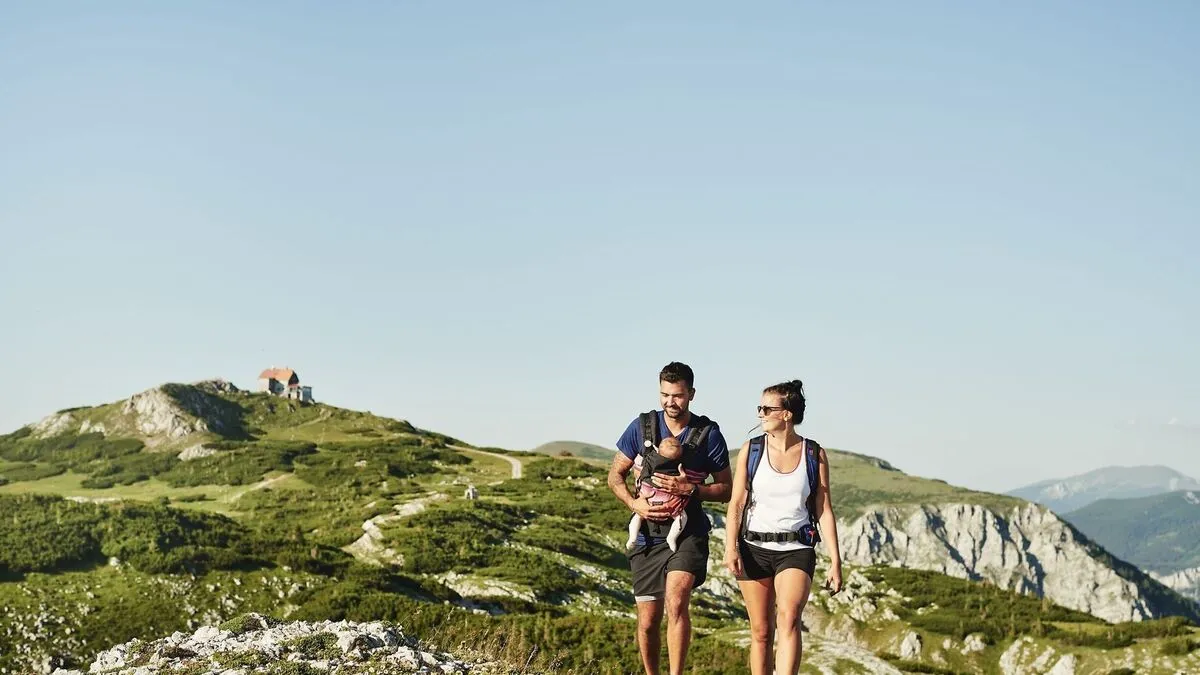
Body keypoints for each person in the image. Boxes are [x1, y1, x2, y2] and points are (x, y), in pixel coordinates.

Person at [608, 361, 732, 675]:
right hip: (648, 535)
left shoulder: (708, 435)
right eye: (664, 394)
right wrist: (634, 504)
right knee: (648, 621)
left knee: (676, 600)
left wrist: (693, 489)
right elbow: (615, 476)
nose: (669, 402)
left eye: (676, 396)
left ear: (691, 393)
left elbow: (727, 489)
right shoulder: (641, 427)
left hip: (688, 531)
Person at [723, 379, 843, 675]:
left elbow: (823, 508)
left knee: (788, 618)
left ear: (786, 414)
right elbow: (736, 502)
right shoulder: (751, 450)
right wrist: (730, 547)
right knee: (761, 631)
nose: (760, 414)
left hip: (796, 549)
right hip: (753, 547)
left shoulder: (814, 454)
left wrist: (836, 561)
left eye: (766, 408)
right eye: (759, 408)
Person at [625, 436, 690, 552]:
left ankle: (632, 537)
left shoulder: (650, 458)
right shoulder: (680, 463)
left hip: (649, 495)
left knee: (637, 516)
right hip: (668, 498)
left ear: (658, 450)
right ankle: (672, 537)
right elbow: (682, 476)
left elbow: (641, 473)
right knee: (682, 517)